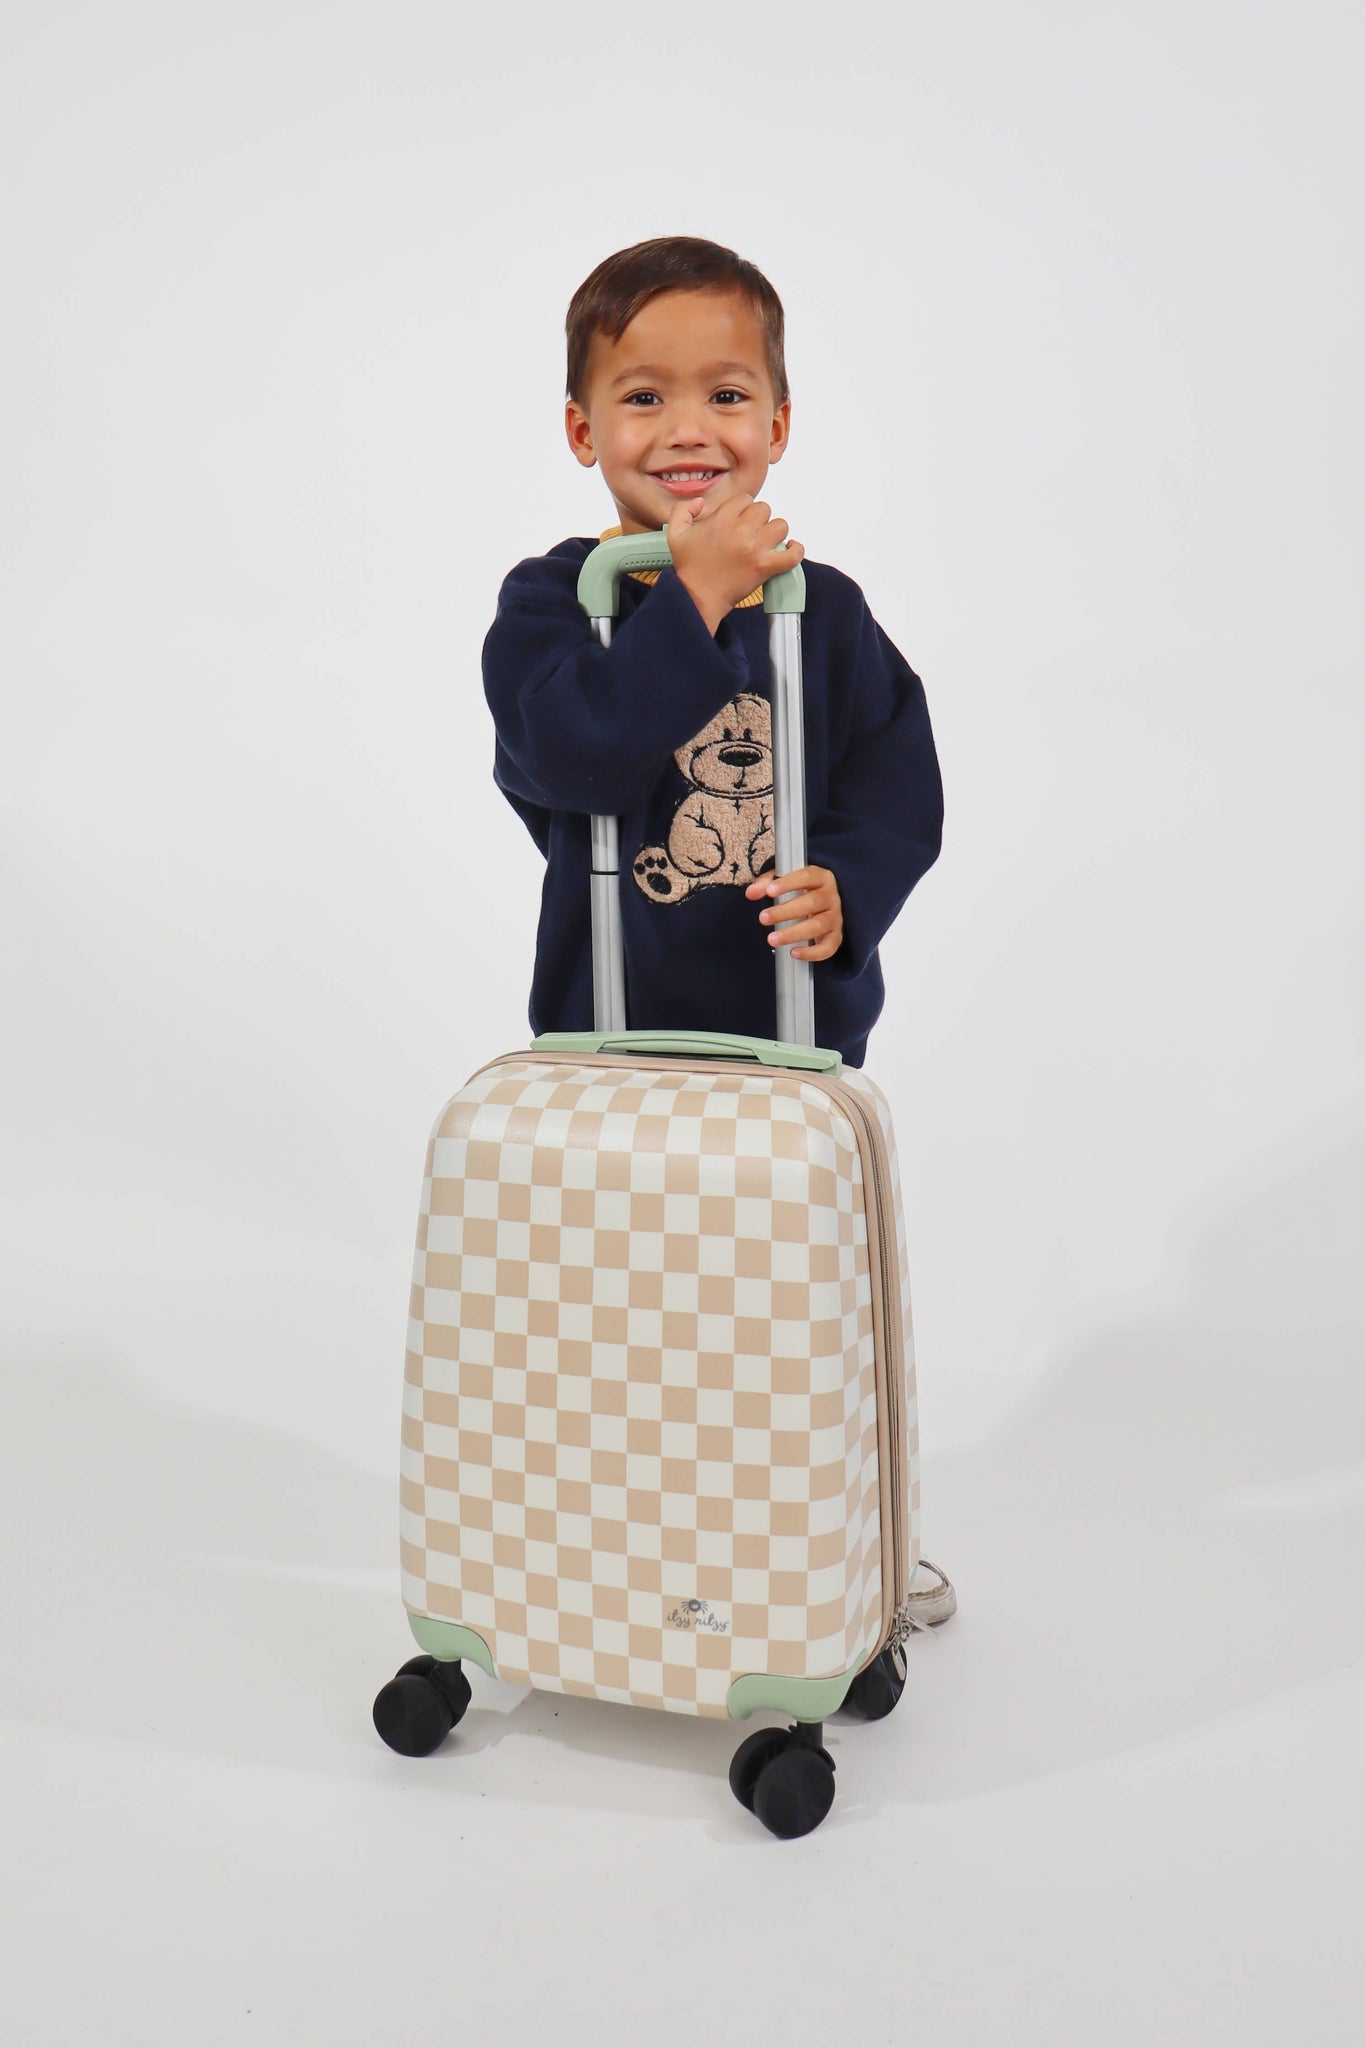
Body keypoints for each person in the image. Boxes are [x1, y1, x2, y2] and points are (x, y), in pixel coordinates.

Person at [482, 236, 955, 1627]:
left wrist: (848, 888)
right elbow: (572, 759)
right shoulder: (553, 606)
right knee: (615, 1324)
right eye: (643, 397)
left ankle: (828, 1552)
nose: (687, 429)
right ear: (583, 432)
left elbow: (897, 783)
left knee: (780, 1324)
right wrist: (688, 592)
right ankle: (613, 1558)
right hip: (607, 1047)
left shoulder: (825, 613)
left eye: (727, 395)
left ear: (779, 424)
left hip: (783, 1048)